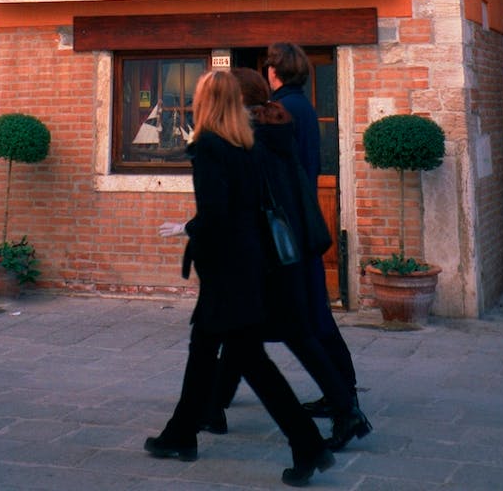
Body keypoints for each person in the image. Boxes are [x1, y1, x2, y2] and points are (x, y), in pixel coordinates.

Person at [145, 69, 335, 487]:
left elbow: (216, 215)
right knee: (204, 350)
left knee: (250, 361)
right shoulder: (248, 145)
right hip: (247, 264)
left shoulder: (210, 147)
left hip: (227, 270)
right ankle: (181, 433)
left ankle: (307, 443)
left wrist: (187, 228)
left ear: (206, 103)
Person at [266, 42, 371, 449]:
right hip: (305, 217)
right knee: (314, 315)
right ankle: (342, 394)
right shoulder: (304, 107)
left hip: (291, 224)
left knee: (309, 320)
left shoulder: (281, 110)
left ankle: (345, 401)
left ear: (275, 71)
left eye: (269, 66)